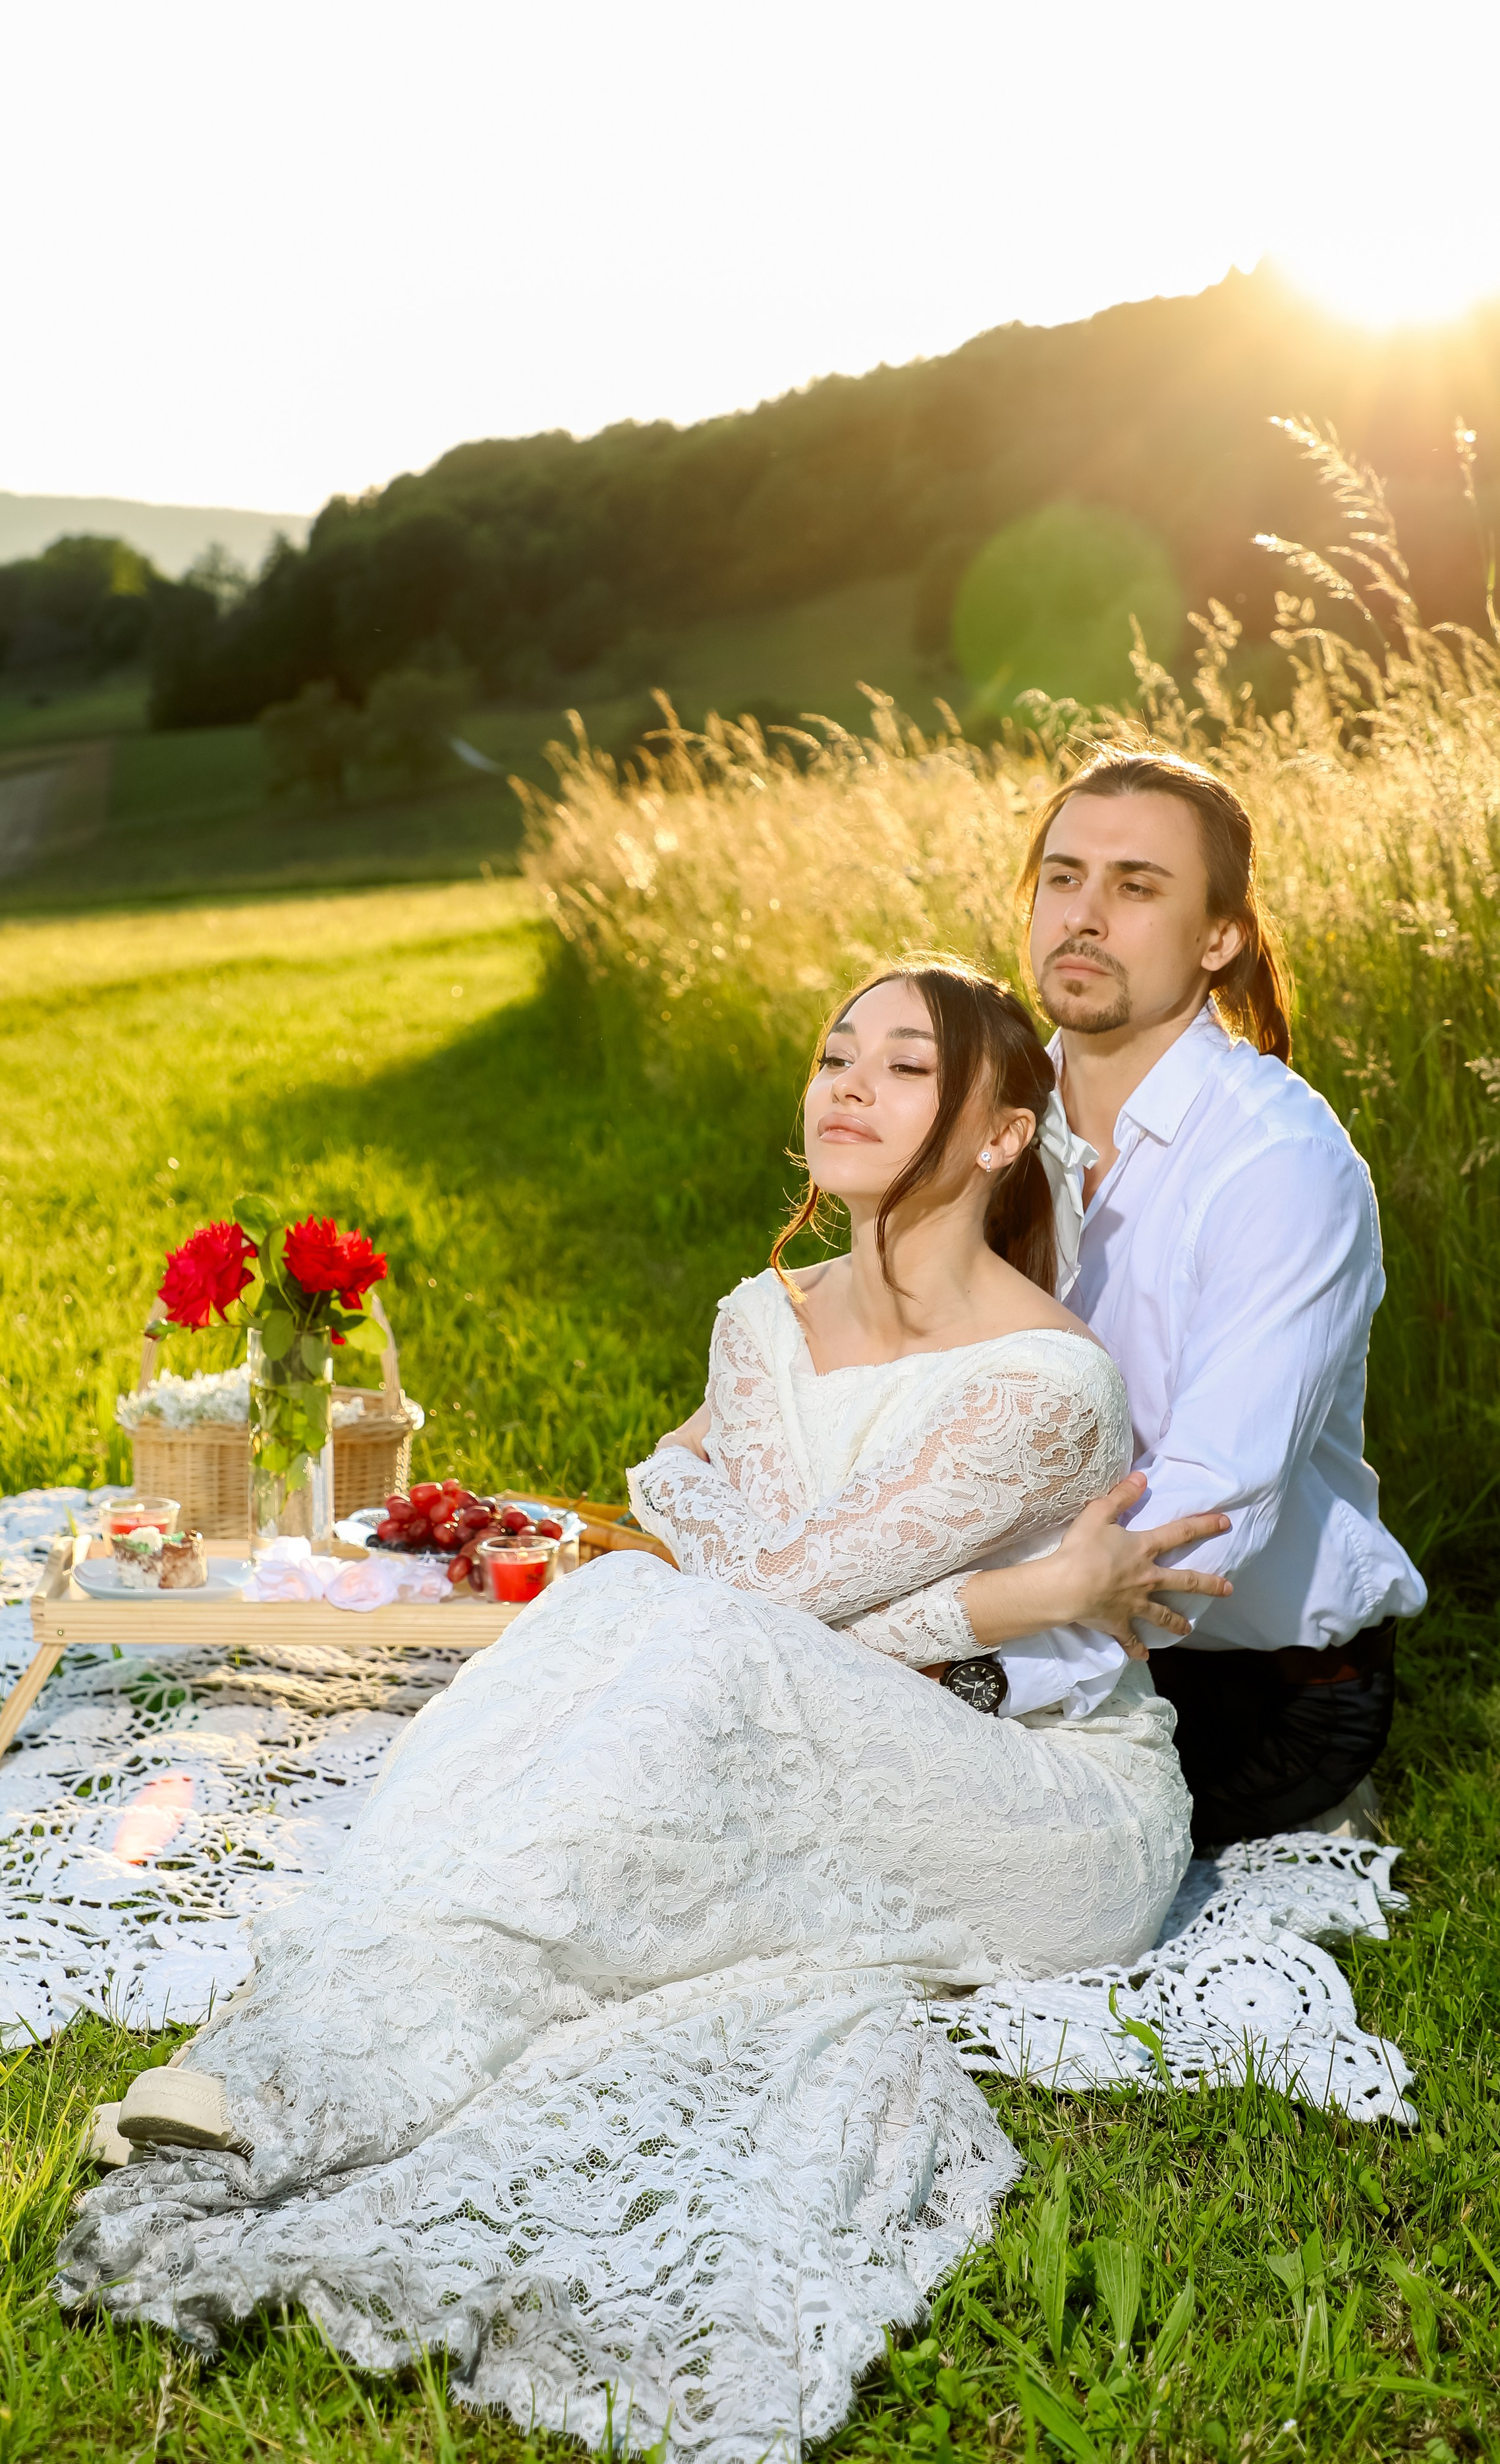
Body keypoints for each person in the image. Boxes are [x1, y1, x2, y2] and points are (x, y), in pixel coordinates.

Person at [59, 957, 1221, 2459]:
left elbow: (757, 1598)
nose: (847, 1088)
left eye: (906, 1068)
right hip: (808, 1699)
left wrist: (1013, 1617)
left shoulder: (1044, 1378)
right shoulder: (762, 1320)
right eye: (831, 1054)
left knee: (667, 1632)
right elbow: (739, 1586)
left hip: (1032, 1800)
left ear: (1002, 1134)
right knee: (633, 1615)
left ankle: (314, 2069)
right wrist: (1022, 1596)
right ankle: (316, 2038)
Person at [983, 747, 1425, 1847]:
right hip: (1010, 1624)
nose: (1084, 915)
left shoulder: (1278, 1162)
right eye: (1064, 876)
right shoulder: (989, 1128)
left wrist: (963, 1668)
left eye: (1138, 887)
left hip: (1254, 1689)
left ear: (1218, 938)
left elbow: (1202, 1517)